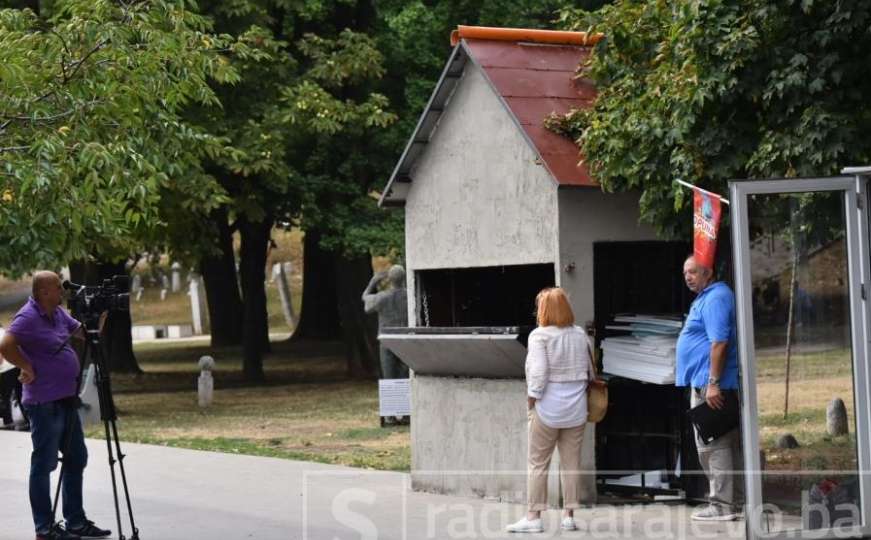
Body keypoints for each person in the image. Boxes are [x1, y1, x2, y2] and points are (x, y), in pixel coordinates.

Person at [0, 271, 111, 540]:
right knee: (45, 463)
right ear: (43, 292)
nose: (61, 292)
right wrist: (26, 366)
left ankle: (75, 522)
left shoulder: (58, 313)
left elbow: (85, 334)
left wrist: (100, 312)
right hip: (43, 402)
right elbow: (5, 345)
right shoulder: (28, 317)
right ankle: (44, 527)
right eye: (56, 288)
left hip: (66, 398)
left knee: (77, 458)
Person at [507, 287, 600, 533]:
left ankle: (533, 517)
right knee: (571, 463)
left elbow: (538, 374)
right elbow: (591, 372)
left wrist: (531, 400)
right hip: (576, 409)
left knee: (538, 463)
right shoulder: (580, 335)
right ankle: (569, 515)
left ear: (545, 310)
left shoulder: (540, 336)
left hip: (547, 409)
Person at [676, 256, 743, 521]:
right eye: (685, 273)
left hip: (712, 385)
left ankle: (721, 506)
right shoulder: (707, 296)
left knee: (713, 446)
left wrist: (713, 383)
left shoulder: (716, 297)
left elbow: (719, 343)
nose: (688, 277)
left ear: (708, 272)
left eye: (692, 272)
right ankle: (732, 503)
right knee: (720, 445)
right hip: (707, 382)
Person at [362, 265, 409, 380]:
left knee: (389, 378)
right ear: (404, 278)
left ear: (389, 279)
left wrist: (373, 282)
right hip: (406, 341)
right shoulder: (410, 295)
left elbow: (365, 298)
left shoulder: (382, 297)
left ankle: (392, 397)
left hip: (387, 341)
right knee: (406, 378)